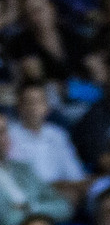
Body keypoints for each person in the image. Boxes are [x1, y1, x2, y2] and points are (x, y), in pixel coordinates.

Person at [0, 114, 71, 225]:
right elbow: (6, 221)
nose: (3, 137)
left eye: (4, 131)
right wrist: (40, 212)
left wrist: (30, 207)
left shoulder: (23, 169)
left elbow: (63, 207)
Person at [7, 80, 88, 208]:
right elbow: (18, 179)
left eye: (38, 102)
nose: (33, 107)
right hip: (27, 195)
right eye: (28, 102)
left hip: (60, 193)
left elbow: (75, 176)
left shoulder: (58, 134)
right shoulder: (9, 135)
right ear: (19, 106)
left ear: (47, 107)